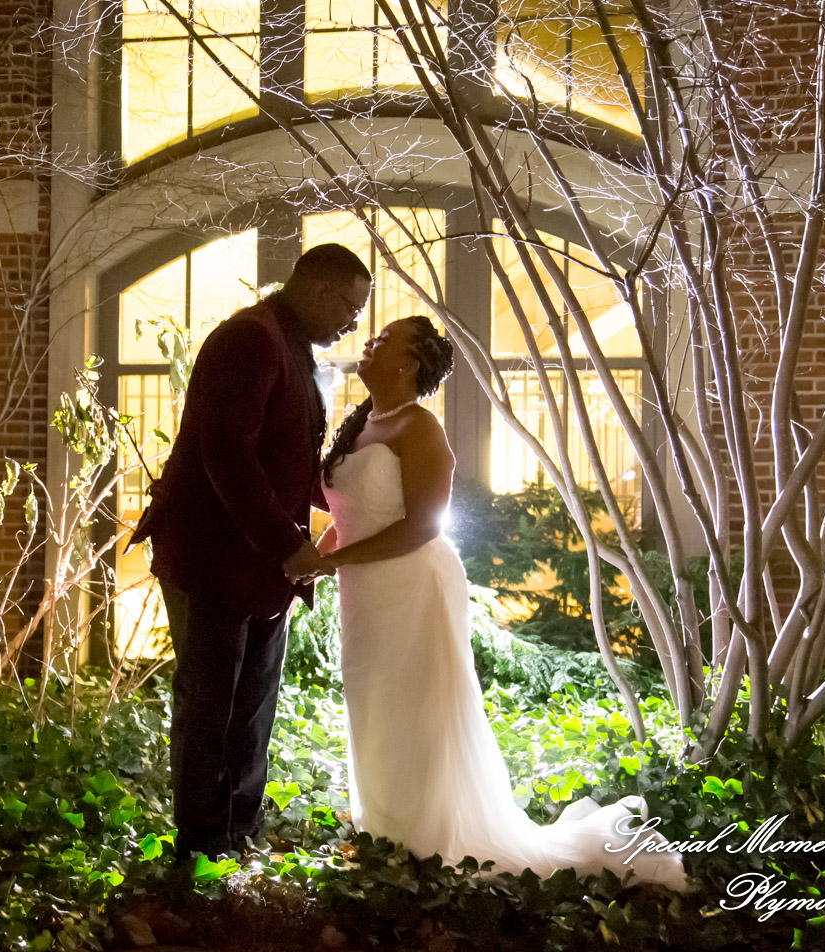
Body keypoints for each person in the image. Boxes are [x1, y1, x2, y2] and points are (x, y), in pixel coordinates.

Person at [309, 315, 687, 888]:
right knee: (373, 706)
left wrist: (328, 561)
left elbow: (422, 527)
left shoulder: (421, 429)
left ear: (408, 364)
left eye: (383, 341)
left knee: (415, 712)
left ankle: (425, 842)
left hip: (413, 587)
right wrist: (315, 560)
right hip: (364, 591)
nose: (369, 344)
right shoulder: (360, 424)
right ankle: (383, 833)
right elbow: (351, 516)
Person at [129, 243, 370, 859]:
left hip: (262, 565)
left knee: (253, 703)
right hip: (212, 556)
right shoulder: (251, 340)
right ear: (318, 289)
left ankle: (238, 832)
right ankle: (203, 843)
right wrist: (289, 546)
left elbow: (285, 460)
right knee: (211, 703)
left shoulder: (288, 346)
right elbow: (226, 455)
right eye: (350, 308)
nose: (352, 325)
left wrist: (357, 498)